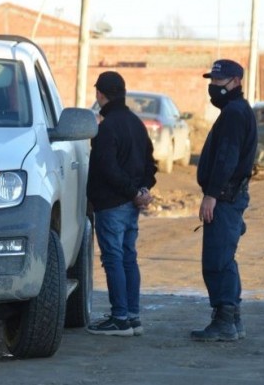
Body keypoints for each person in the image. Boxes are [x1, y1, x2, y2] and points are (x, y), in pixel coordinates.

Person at [86, 71, 157, 336]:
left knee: (114, 258)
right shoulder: (136, 123)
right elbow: (151, 164)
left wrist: (133, 192)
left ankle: (119, 319)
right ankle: (132, 316)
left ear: (100, 94)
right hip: (130, 204)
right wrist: (142, 191)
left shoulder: (107, 127)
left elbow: (107, 167)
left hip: (113, 204)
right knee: (128, 257)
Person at [191, 59, 257, 342]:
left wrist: (211, 195)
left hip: (226, 197)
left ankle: (225, 321)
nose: (214, 86)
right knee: (224, 258)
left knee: (217, 260)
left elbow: (227, 157)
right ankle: (233, 320)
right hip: (229, 195)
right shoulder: (236, 110)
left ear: (236, 82)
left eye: (220, 81)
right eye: (213, 81)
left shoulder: (234, 113)